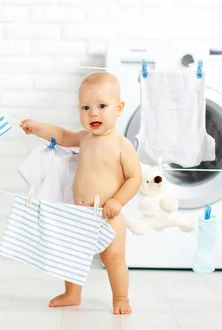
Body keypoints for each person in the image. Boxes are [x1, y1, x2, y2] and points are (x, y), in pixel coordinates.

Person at [20, 72, 142, 314]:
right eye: (85, 107)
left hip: (109, 214)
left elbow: (134, 178)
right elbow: (63, 136)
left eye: (101, 106)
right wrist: (37, 128)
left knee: (114, 258)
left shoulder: (121, 144)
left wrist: (118, 201)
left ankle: (120, 298)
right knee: (71, 256)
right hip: (80, 213)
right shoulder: (84, 138)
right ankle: (72, 294)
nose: (93, 113)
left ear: (119, 108)